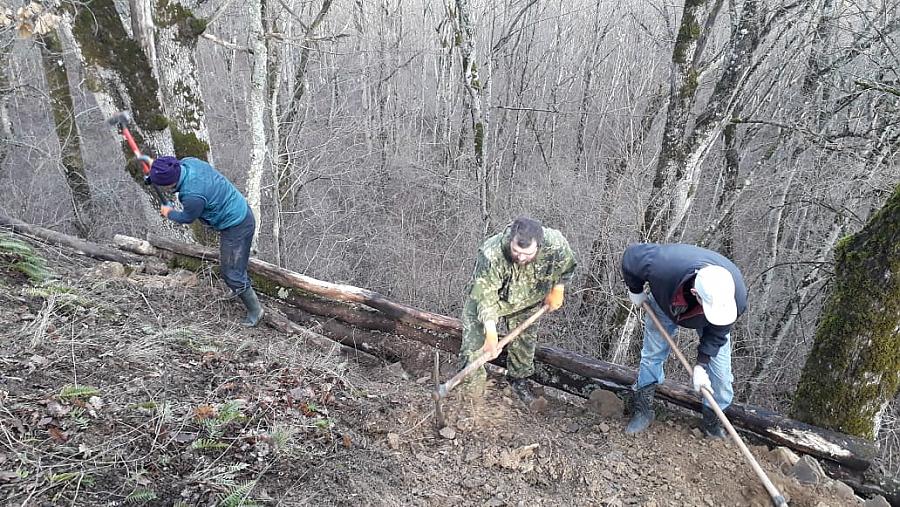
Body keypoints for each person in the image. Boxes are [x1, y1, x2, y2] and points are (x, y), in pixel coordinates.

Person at [620, 243, 746, 437]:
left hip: (712, 323)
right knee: (652, 355)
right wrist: (635, 290)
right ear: (696, 294)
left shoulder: (735, 298)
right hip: (666, 303)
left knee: (721, 376)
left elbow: (719, 332)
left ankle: (712, 423)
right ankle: (643, 410)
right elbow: (631, 257)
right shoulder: (663, 266)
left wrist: (701, 366)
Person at [458, 216, 577, 408]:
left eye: (527, 253)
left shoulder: (556, 245)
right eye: (516, 251)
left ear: (539, 245)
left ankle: (518, 381)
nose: (520, 257)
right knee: (474, 346)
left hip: (527, 299)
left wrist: (559, 288)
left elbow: (568, 266)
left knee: (524, 344)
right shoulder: (492, 253)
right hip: (488, 301)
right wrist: (490, 331)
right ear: (510, 239)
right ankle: (472, 397)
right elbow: (485, 297)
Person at [141, 154, 264, 327]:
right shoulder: (190, 162)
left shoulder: (192, 196)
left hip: (237, 225)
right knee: (234, 267)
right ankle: (238, 286)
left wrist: (168, 212)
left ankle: (256, 311)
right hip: (238, 210)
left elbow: (187, 217)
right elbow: (168, 167)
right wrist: (156, 168)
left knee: (231, 273)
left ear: (169, 183)